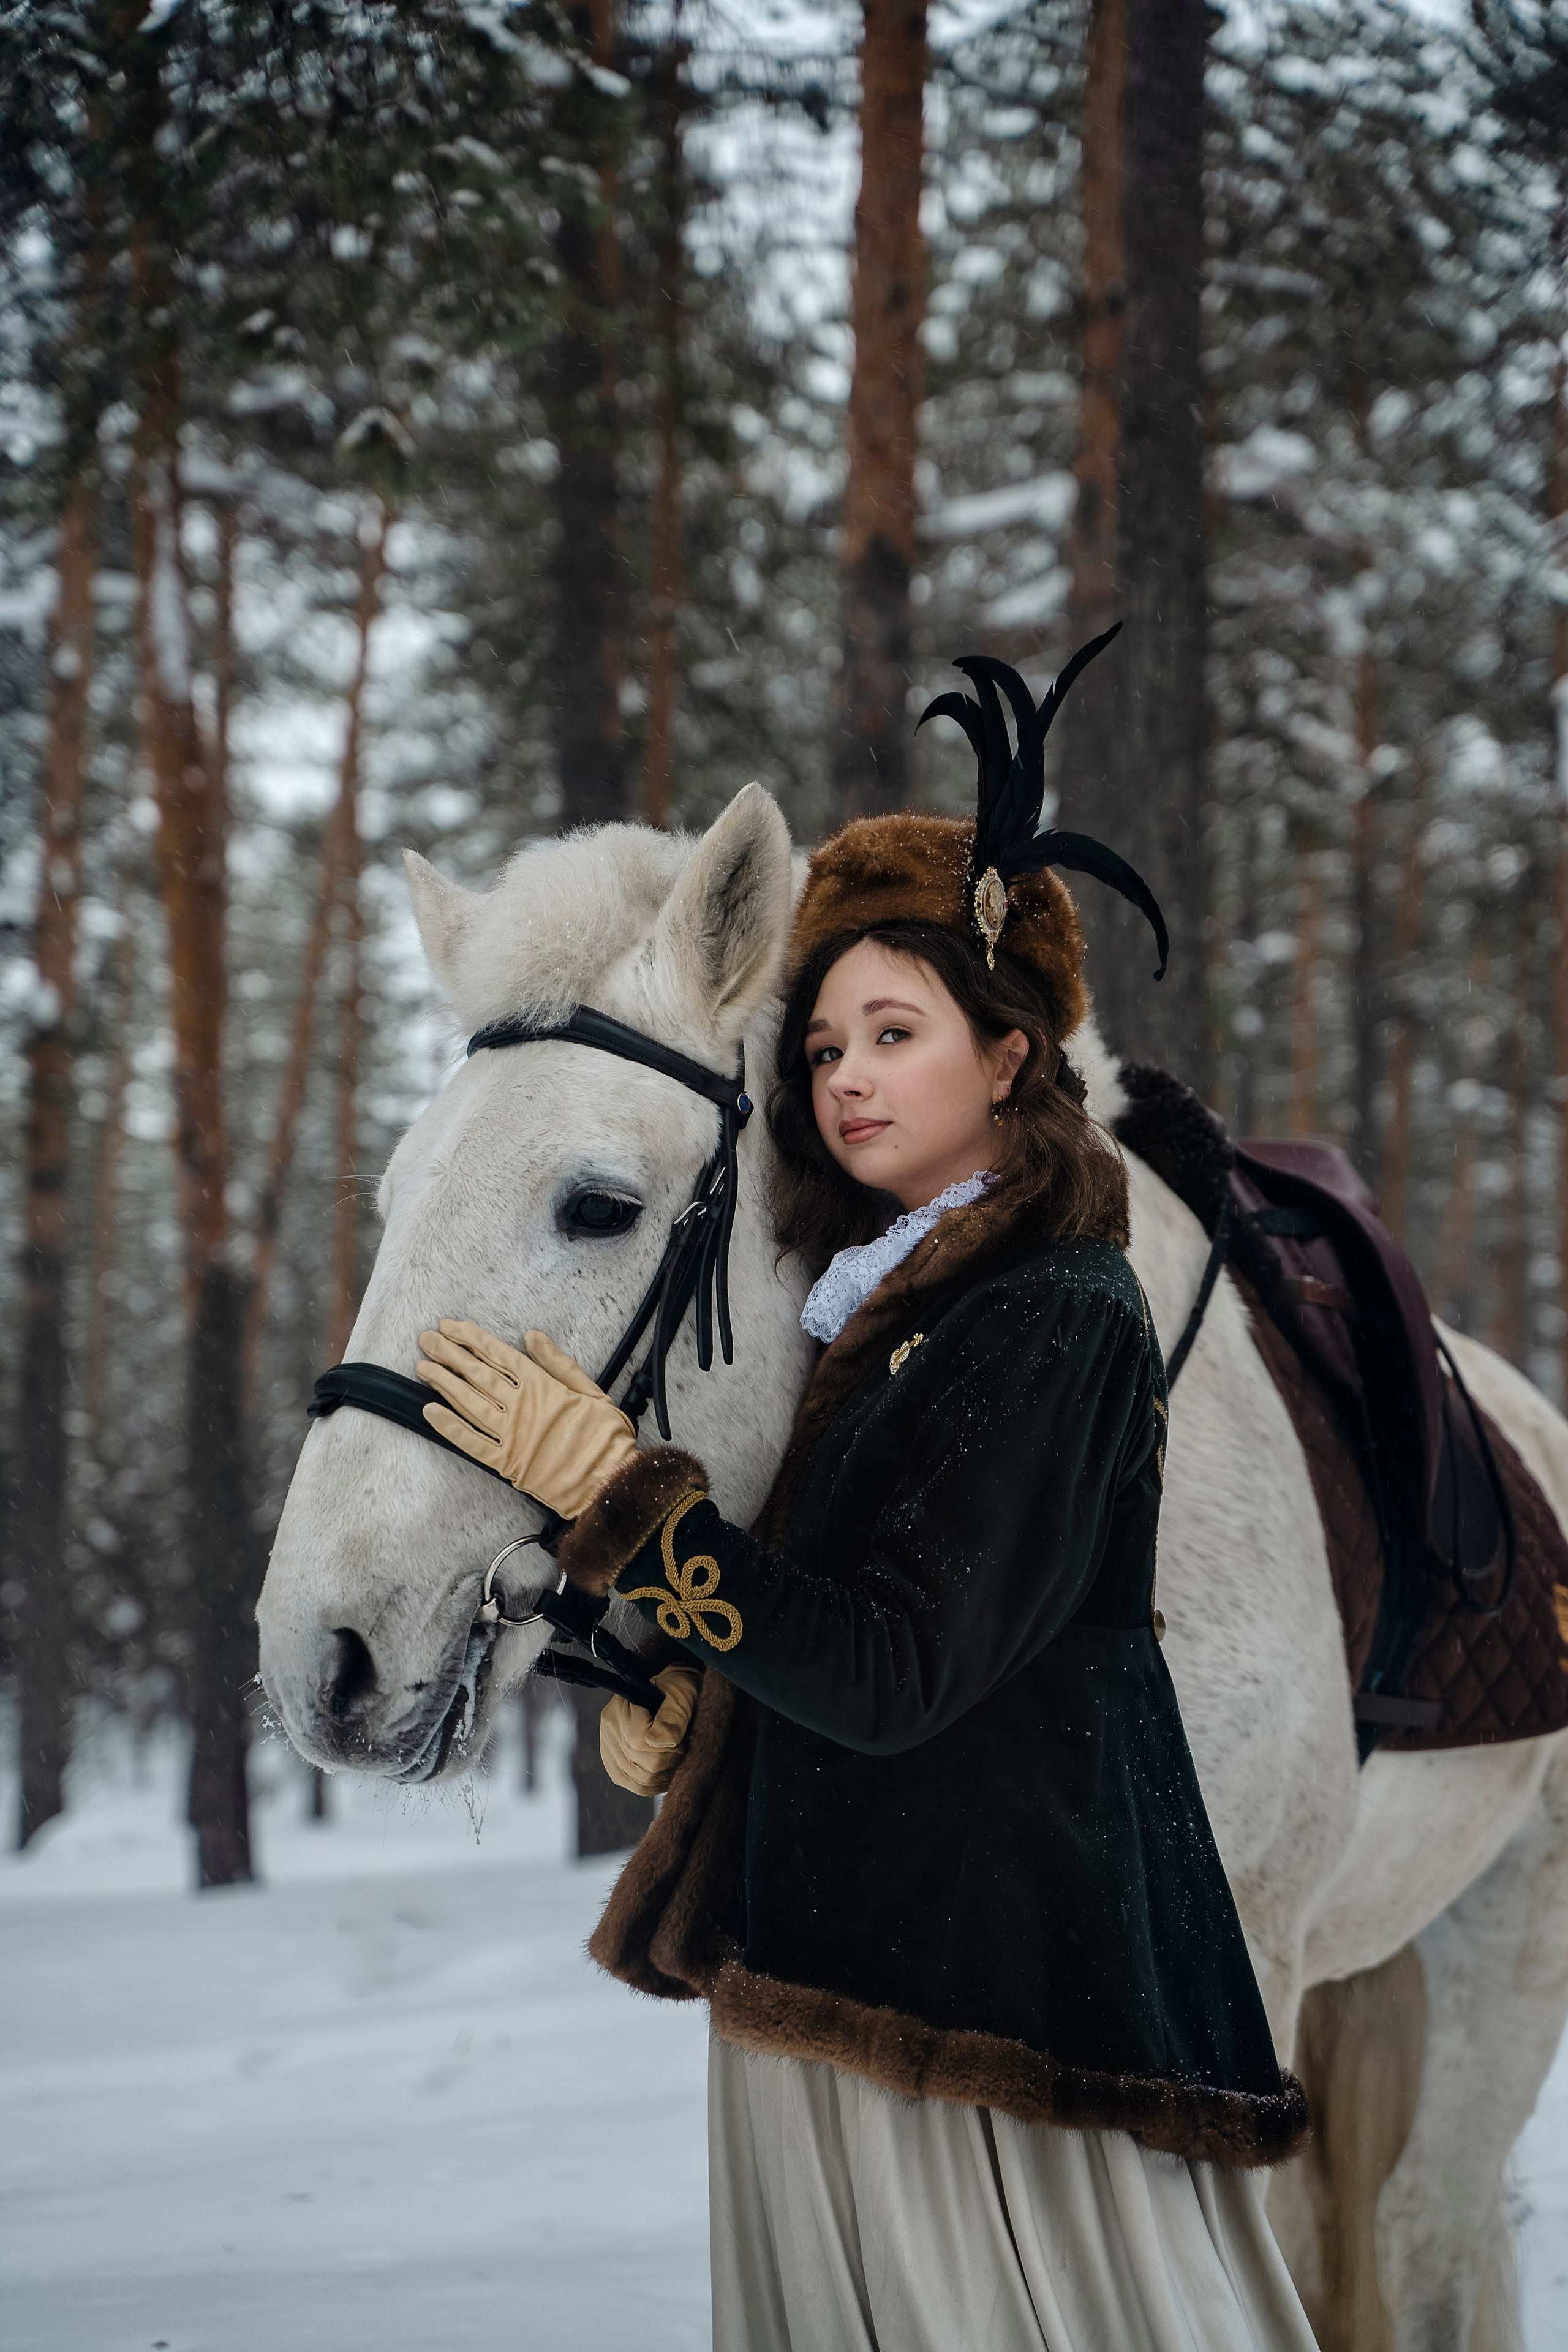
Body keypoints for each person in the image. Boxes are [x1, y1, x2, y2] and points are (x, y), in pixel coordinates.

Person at [413, 646, 1318, 2351]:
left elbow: (900, 1673)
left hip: (989, 2017)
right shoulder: (880, 1317)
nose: (843, 1076)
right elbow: (854, 1641)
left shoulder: (1056, 1308)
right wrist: (706, 1706)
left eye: (895, 1035)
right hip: (846, 1969)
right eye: (825, 1043)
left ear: (1011, 1055)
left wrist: (626, 1500)